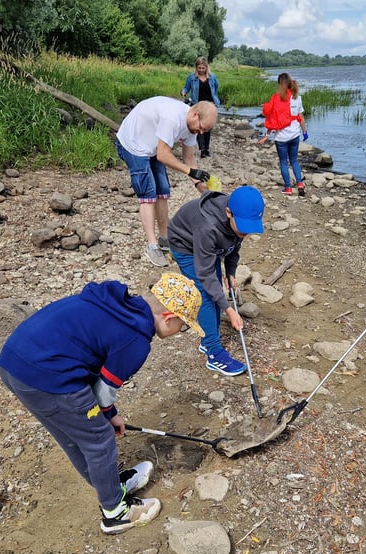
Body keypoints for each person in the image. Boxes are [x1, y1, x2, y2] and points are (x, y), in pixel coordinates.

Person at [0, 273, 205, 534]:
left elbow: (93, 362)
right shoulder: (136, 340)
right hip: (50, 377)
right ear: (169, 318)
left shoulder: (115, 305)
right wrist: (107, 415)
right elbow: (105, 389)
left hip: (13, 363)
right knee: (99, 438)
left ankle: (109, 485)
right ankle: (115, 512)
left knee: (73, 432)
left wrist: (109, 414)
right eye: (184, 326)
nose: (180, 332)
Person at [168, 185, 265, 376]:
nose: (245, 232)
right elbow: (205, 275)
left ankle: (208, 337)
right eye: (243, 227)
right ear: (228, 213)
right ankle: (213, 352)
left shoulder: (240, 215)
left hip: (207, 244)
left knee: (216, 288)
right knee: (204, 293)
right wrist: (229, 310)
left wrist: (230, 271)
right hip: (184, 244)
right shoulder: (208, 227)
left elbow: (233, 246)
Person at [115, 96, 218, 267]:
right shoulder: (173, 118)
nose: (201, 133)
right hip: (133, 144)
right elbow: (164, 155)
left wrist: (202, 189)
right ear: (195, 114)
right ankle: (152, 246)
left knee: (162, 190)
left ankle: (165, 239)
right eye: (201, 128)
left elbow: (189, 158)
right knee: (148, 193)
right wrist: (189, 171)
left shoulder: (192, 127)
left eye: (204, 131)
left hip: (153, 146)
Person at [258, 72, 308, 196]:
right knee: (294, 160)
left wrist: (266, 135)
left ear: (280, 84)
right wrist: (305, 132)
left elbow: (272, 119)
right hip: (295, 135)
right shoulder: (297, 97)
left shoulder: (276, 98)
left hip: (281, 137)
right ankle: (300, 183)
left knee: (284, 162)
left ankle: (288, 188)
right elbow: (300, 117)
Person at [180, 57, 221, 158]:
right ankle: (203, 150)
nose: (201, 70)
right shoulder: (192, 77)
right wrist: (183, 92)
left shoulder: (212, 77)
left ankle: (207, 148)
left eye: (203, 68)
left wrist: (215, 98)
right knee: (199, 127)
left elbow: (216, 88)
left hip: (210, 105)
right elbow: (186, 87)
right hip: (197, 105)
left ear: (206, 68)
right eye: (199, 68)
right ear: (196, 67)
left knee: (207, 127)